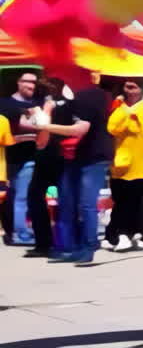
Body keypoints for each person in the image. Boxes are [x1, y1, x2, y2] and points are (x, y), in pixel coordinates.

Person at [38, 75, 112, 264]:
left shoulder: (92, 95)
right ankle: (67, 247)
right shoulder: (69, 97)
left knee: (86, 204)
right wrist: (47, 110)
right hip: (73, 156)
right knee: (66, 201)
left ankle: (88, 247)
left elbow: (80, 129)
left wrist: (45, 126)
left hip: (94, 157)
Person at [105, 78, 143, 251]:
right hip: (122, 161)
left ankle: (138, 233)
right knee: (121, 200)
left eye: (133, 87)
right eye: (126, 87)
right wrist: (125, 112)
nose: (128, 91)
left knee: (140, 201)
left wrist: (139, 120)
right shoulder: (118, 106)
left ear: (142, 89)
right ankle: (120, 235)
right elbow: (112, 128)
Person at [25, 77, 67, 257]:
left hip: (54, 155)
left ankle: (47, 243)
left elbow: (42, 134)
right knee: (53, 199)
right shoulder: (63, 103)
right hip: (58, 156)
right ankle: (56, 241)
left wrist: (45, 111)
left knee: (39, 197)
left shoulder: (51, 106)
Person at [1, 71, 39, 246]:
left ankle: (19, 233)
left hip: (29, 157)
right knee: (10, 197)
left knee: (21, 197)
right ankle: (13, 232)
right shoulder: (5, 104)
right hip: (6, 158)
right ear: (18, 82)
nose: (31, 85)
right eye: (27, 81)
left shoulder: (37, 104)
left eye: (34, 82)